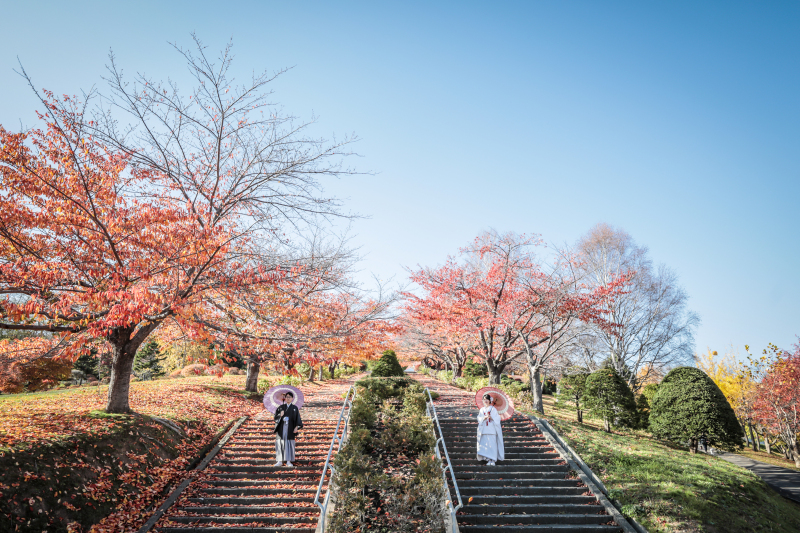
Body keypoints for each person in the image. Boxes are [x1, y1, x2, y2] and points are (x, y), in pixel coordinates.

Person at [274, 391, 303, 467]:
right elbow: (275, 418)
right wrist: (280, 415)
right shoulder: (280, 408)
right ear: (285, 398)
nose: (288, 398)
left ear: (292, 398)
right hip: (281, 428)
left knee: (289, 443)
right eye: (287, 397)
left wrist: (296, 427)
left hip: (290, 428)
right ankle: (279, 461)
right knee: (280, 443)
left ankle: (288, 461)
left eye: (289, 397)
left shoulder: (294, 408)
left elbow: (298, 419)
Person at [477, 393, 504, 466]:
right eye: (484, 400)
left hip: (492, 430)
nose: (485, 401)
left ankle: (493, 460)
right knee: (485, 445)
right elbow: (479, 418)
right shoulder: (482, 409)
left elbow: (497, 418)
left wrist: (491, 417)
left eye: (487, 400)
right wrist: (484, 418)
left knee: (492, 445)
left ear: (490, 401)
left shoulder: (493, 409)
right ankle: (488, 459)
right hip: (484, 430)